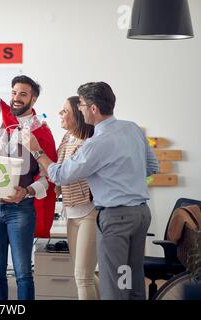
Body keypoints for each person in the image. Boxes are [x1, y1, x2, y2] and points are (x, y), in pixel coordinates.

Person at [21, 82, 159, 300]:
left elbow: (61, 175)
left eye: (82, 105)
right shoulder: (132, 128)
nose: (80, 108)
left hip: (116, 217)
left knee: (114, 285)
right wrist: (124, 178)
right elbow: (153, 167)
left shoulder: (96, 143)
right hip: (140, 214)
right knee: (130, 278)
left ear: (93, 109)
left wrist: (37, 151)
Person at [0, 27, 57, 300]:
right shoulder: (0, 116)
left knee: (22, 272)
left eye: (23, 94)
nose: (16, 97)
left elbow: (47, 178)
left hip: (21, 209)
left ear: (33, 99)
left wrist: (27, 192)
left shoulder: (41, 132)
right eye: (14, 92)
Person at [55, 96, 98, 300]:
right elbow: (56, 169)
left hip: (89, 211)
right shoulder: (67, 138)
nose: (60, 114)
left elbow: (64, 172)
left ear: (78, 116)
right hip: (71, 213)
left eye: (65, 111)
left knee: (83, 277)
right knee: (85, 275)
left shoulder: (89, 144)